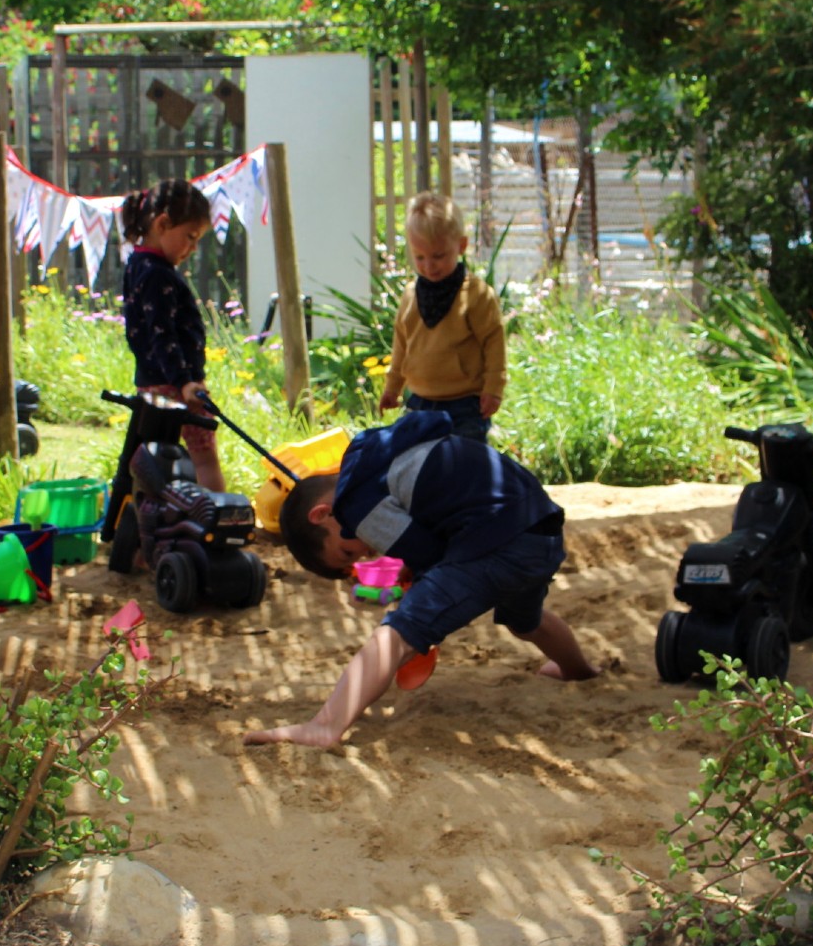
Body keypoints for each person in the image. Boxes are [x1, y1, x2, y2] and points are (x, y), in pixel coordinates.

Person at [244, 410, 598, 749]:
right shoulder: (379, 454)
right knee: (526, 620)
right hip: (541, 529)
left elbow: (427, 554)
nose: (366, 553)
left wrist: (410, 576)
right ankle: (576, 669)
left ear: (323, 514)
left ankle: (325, 726)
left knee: (399, 631)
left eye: (347, 552)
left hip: (495, 542)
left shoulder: (355, 505)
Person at [121, 179, 224, 491]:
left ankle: (147, 524)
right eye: (189, 238)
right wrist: (185, 382)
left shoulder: (139, 264)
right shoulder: (157, 274)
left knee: (149, 462)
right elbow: (162, 334)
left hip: (157, 381)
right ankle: (218, 515)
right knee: (204, 456)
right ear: (163, 223)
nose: (192, 249)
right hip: (174, 386)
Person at [379, 192, 505, 442]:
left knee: (464, 467)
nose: (429, 266)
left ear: (461, 246)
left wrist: (493, 388)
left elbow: (494, 342)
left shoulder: (475, 295)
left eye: (439, 256)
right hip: (419, 400)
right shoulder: (411, 295)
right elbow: (402, 345)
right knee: (421, 465)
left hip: (465, 404)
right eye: (420, 257)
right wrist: (393, 387)